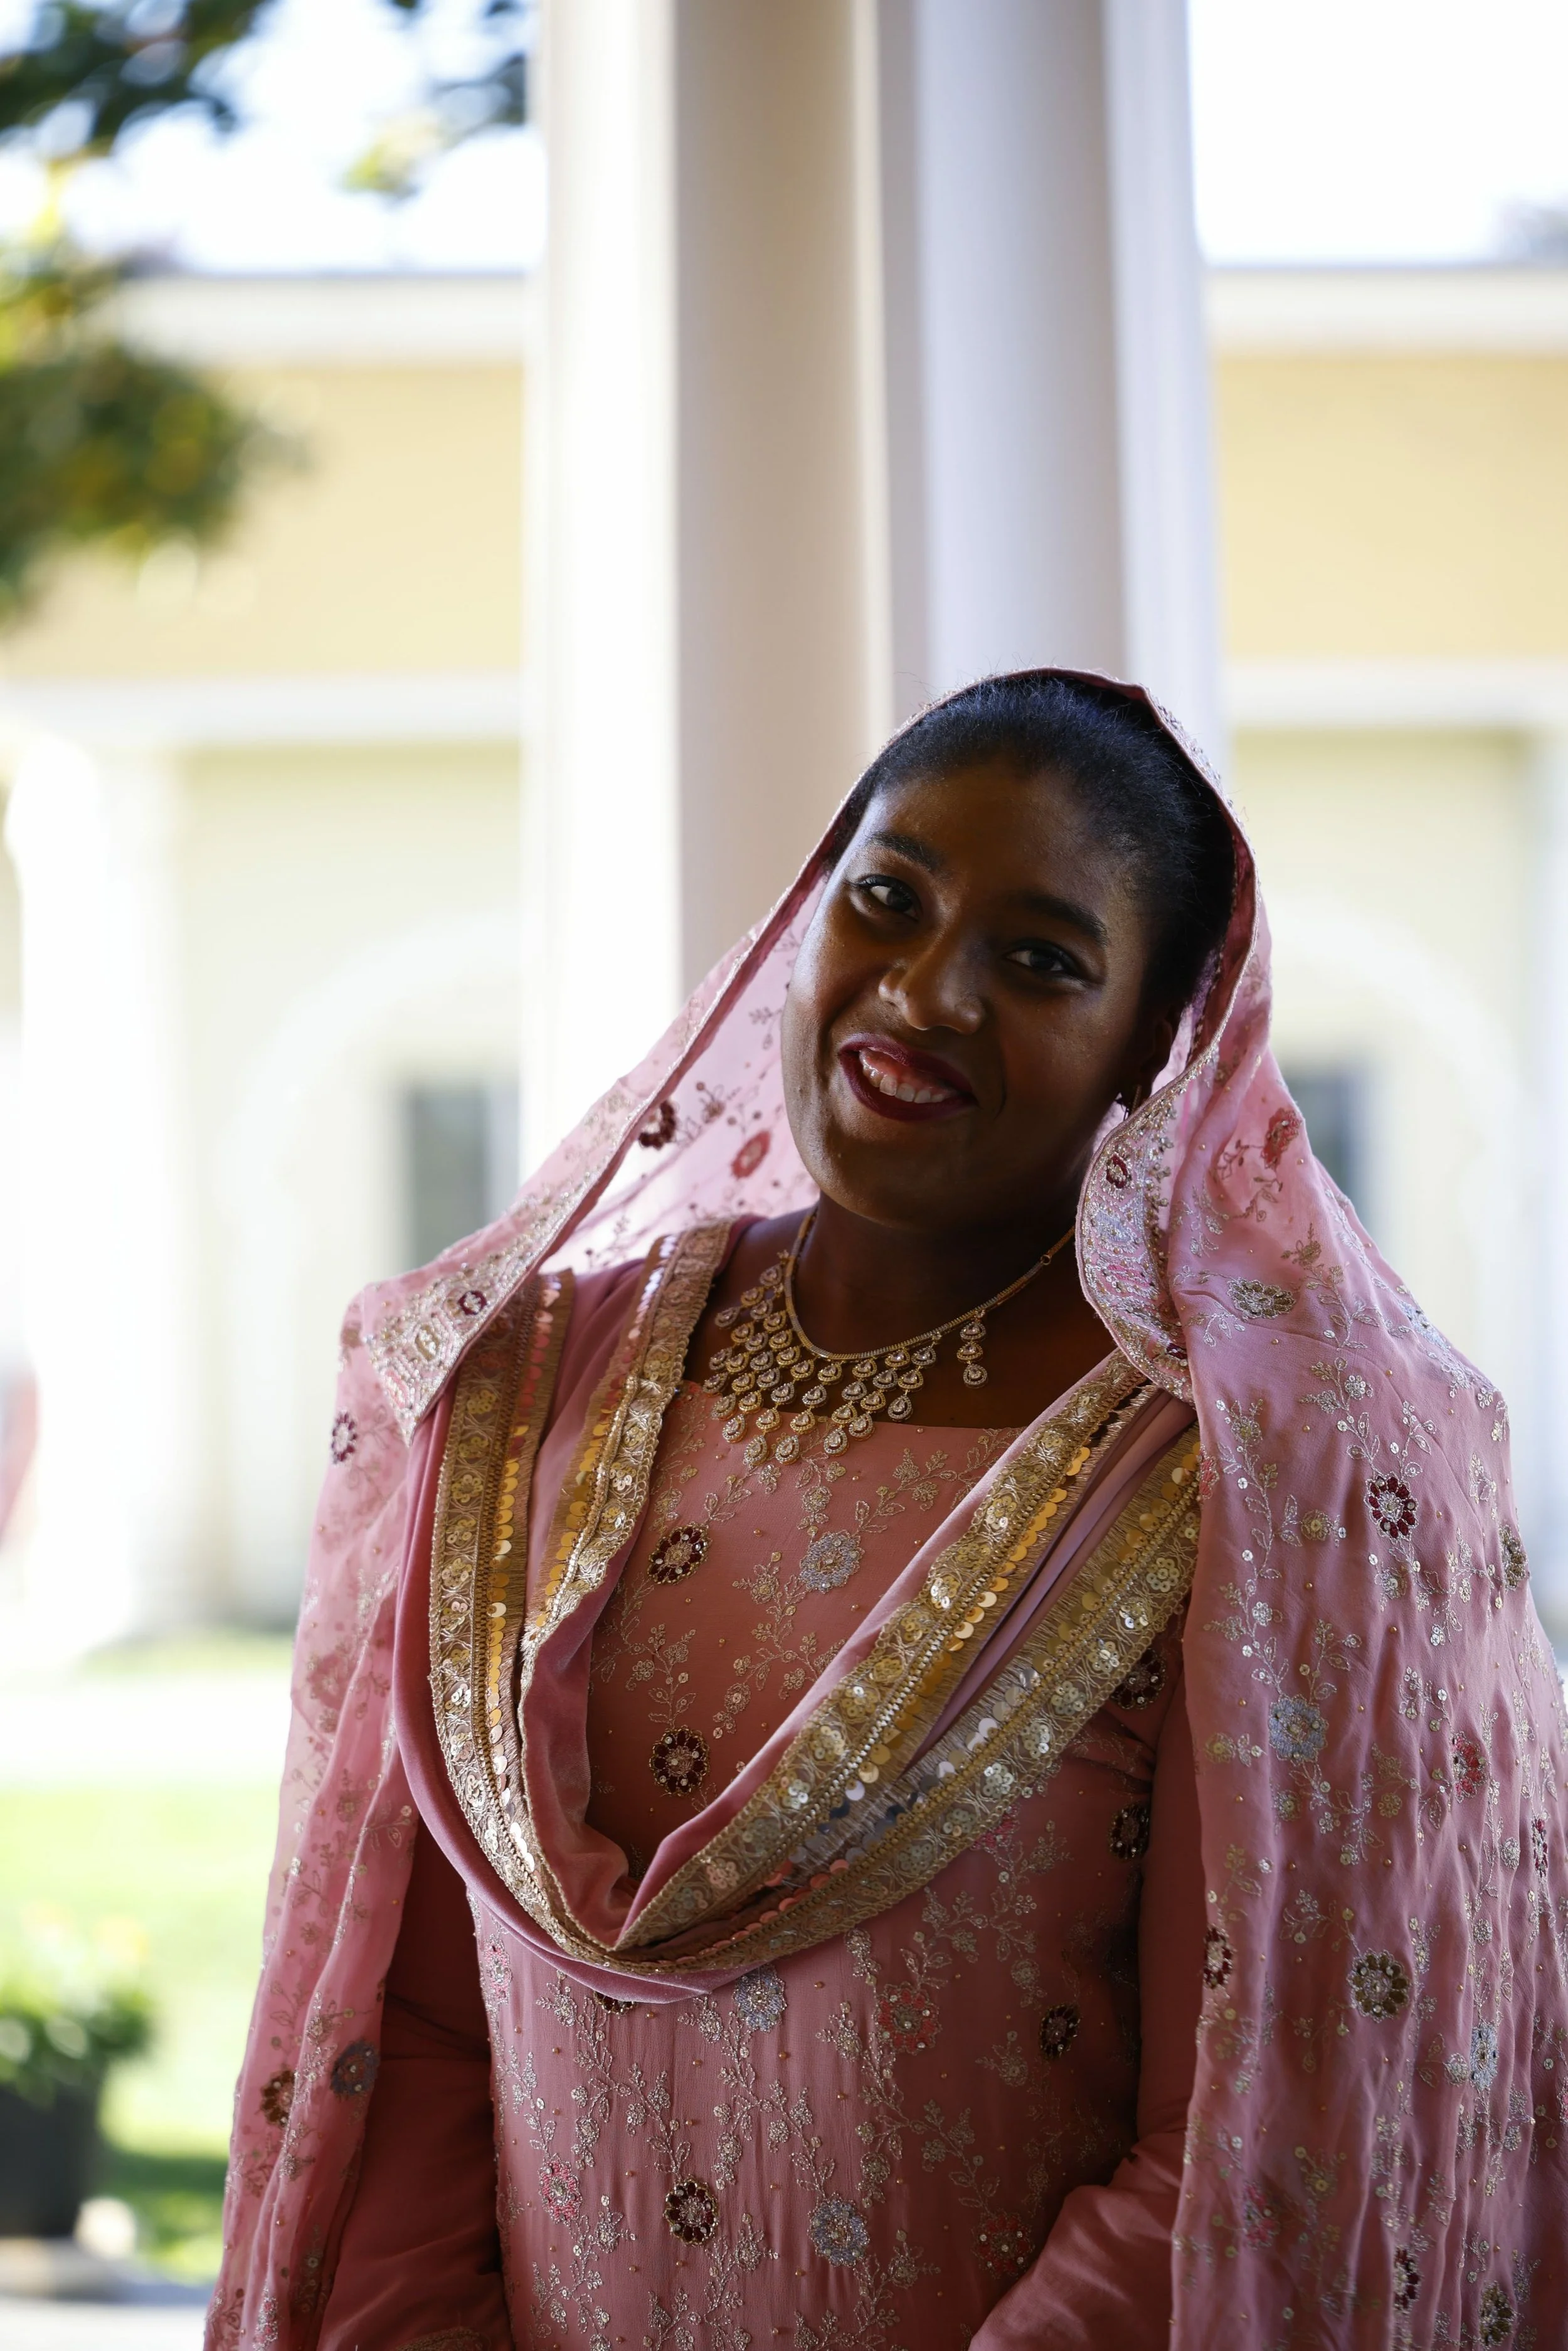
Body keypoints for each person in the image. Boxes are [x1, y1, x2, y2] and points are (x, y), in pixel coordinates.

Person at [210, 671, 1568, 2351]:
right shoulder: (524, 1383)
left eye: (1039, 957)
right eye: (886, 899)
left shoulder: (1240, 1476)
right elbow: (397, 2021)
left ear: (1159, 1038)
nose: (922, 993)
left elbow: (1239, 2139)